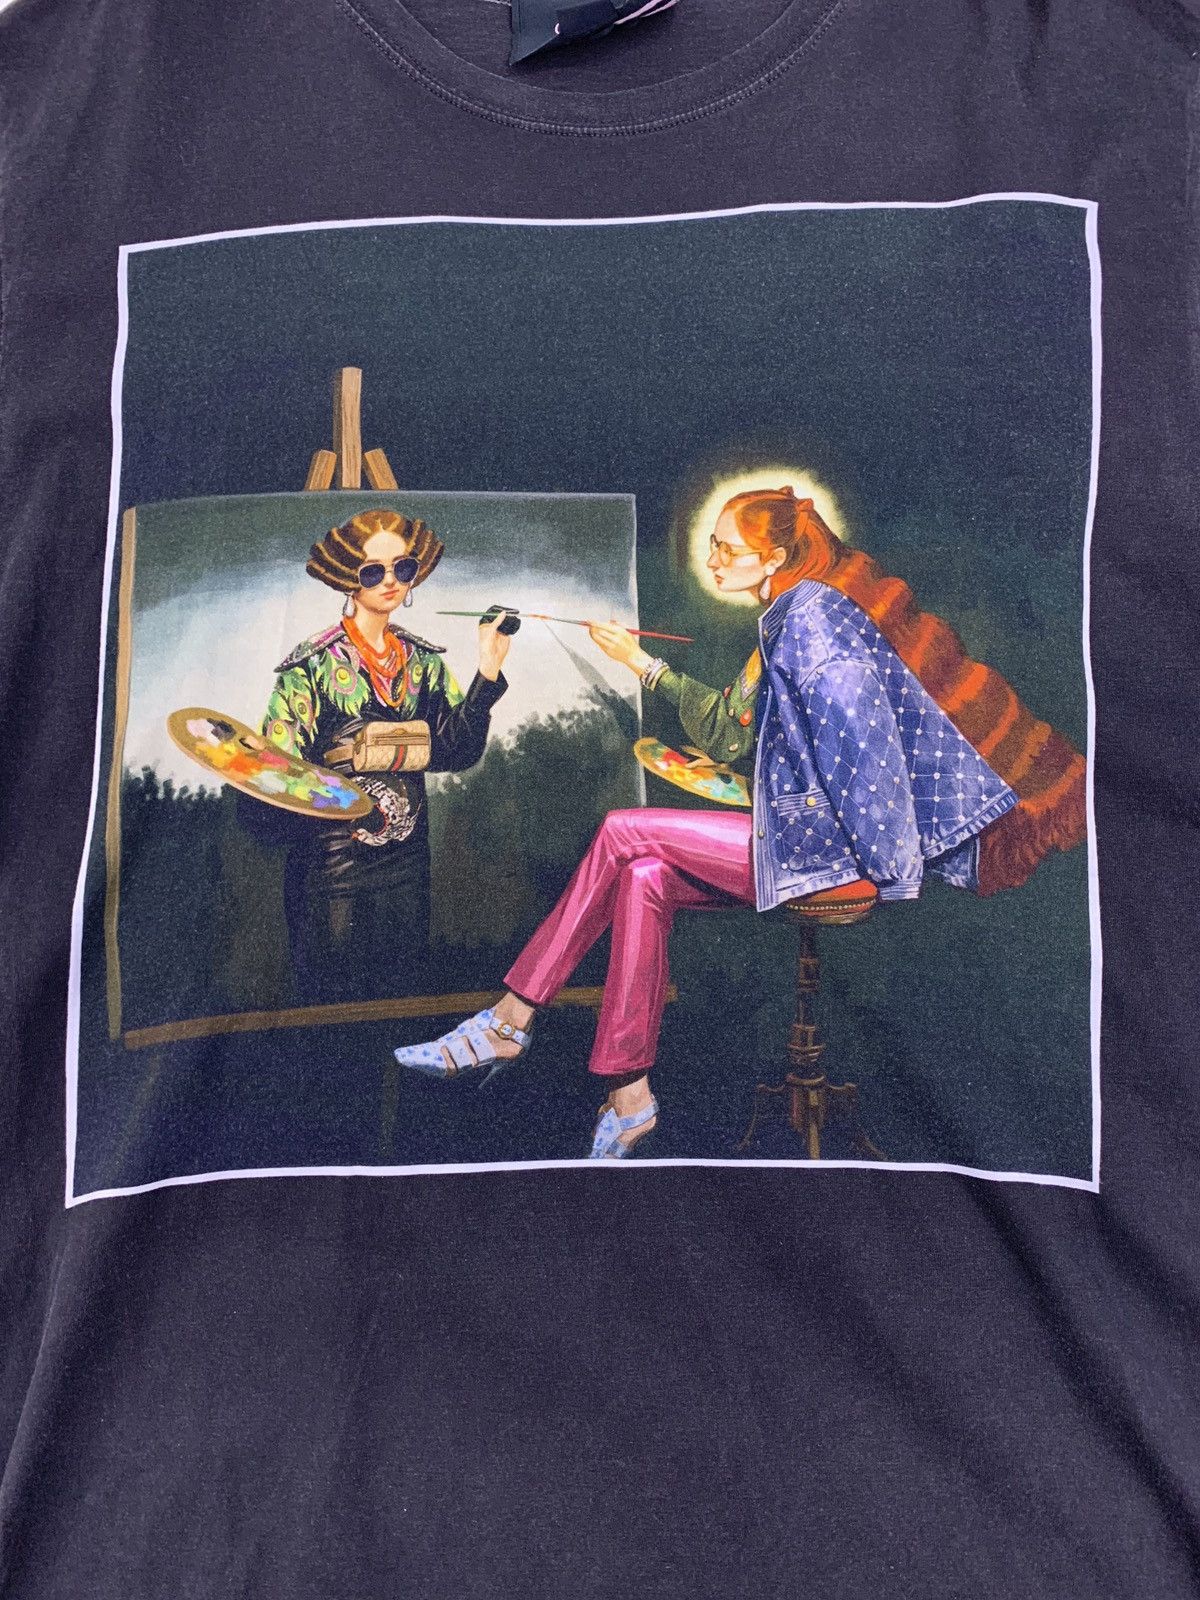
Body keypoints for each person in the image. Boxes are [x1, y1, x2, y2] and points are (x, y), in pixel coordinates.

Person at [393, 487, 1085, 1158]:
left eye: (728, 549)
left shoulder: (815, 621)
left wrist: (884, 865)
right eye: (713, 546)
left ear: (775, 556)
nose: (714, 560)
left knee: (623, 830)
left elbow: (864, 746)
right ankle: (630, 1096)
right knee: (644, 876)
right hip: (808, 840)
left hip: (834, 855)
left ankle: (509, 1022)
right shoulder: (787, 615)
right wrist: (640, 663)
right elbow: (729, 729)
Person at [242, 507, 513, 1001]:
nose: (390, 581)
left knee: (402, 997)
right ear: (349, 578)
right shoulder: (312, 664)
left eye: (402, 568)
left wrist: (488, 668)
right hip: (331, 871)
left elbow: (456, 750)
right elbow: (276, 773)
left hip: (407, 866)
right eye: (373, 571)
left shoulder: (423, 661)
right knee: (333, 1006)